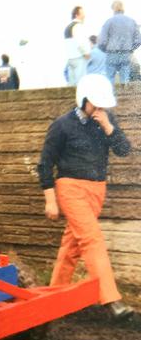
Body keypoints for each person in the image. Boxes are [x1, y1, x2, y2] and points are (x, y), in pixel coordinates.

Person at [37, 74, 134, 319]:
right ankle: (111, 299)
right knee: (92, 239)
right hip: (70, 188)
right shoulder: (62, 125)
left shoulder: (106, 120)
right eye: (96, 102)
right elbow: (45, 164)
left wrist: (108, 127)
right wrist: (51, 199)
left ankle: (53, 299)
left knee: (72, 245)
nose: (100, 107)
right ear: (83, 99)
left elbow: (124, 150)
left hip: (97, 190)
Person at [98, 0, 141, 85]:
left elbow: (102, 41)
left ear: (113, 9)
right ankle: (124, 96)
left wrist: (105, 50)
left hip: (111, 53)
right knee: (125, 80)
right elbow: (139, 40)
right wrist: (130, 49)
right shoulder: (131, 21)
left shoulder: (109, 22)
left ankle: (111, 96)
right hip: (126, 53)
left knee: (110, 79)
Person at [64, 6, 90, 86]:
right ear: (76, 15)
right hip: (79, 57)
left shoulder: (68, 27)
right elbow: (80, 42)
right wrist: (86, 53)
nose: (84, 16)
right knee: (81, 83)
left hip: (70, 57)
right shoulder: (78, 26)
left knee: (72, 84)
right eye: (82, 14)